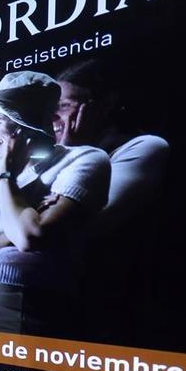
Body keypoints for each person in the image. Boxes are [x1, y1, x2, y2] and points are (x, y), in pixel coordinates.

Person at [0, 71, 111, 336]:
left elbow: (29, 236)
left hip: (31, 310)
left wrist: (7, 172)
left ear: (26, 124)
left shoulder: (84, 160)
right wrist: (9, 235)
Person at [53, 58, 169, 343]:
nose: (54, 117)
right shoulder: (59, 156)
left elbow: (78, 224)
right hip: (62, 308)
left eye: (65, 105)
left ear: (103, 105)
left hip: (111, 316)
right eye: (52, 106)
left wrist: (70, 148)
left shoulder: (144, 147)